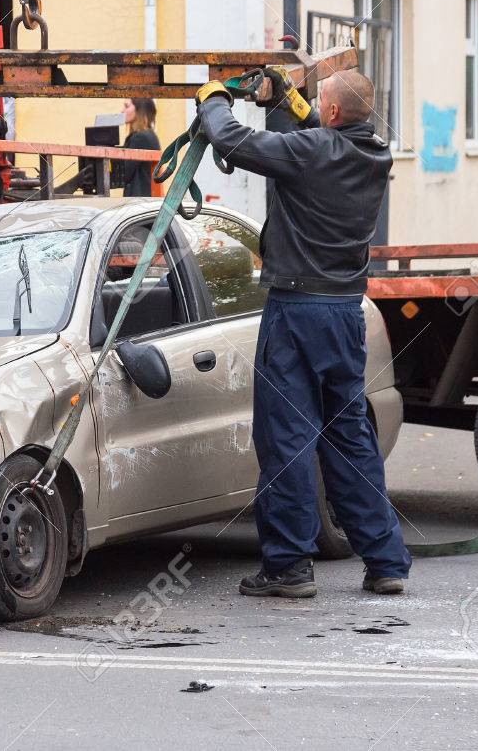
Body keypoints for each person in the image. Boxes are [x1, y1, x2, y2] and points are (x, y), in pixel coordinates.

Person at [195, 69, 411, 599]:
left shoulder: (314, 151)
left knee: (287, 440)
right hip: (344, 313)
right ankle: (385, 561)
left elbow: (233, 141)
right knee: (350, 436)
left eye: (320, 103)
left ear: (333, 114)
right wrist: (293, 105)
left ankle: (288, 566)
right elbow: (324, 141)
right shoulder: (374, 154)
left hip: (296, 312)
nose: (316, 109)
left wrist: (213, 100)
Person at [120, 98, 160, 197]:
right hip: (147, 199)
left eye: (127, 106)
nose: (122, 111)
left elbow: (123, 175)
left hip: (137, 201)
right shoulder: (150, 135)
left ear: (139, 109)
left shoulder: (139, 138)